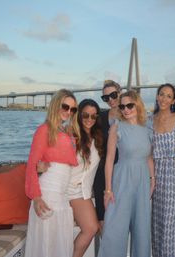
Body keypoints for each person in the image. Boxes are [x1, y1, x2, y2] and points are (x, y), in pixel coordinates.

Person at [37, 99, 103, 257]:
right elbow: (47, 151)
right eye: (85, 115)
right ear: (79, 115)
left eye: (93, 116)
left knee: (92, 229)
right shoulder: (69, 134)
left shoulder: (98, 137)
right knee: (89, 229)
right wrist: (40, 165)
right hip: (67, 189)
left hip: (84, 191)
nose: (89, 119)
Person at [98, 90, 155, 257]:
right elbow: (109, 160)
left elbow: (149, 157)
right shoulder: (116, 127)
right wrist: (108, 190)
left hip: (143, 181)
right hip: (122, 179)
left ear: (138, 105)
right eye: (122, 106)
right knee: (115, 228)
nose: (126, 110)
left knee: (141, 228)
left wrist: (153, 179)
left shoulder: (147, 128)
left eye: (130, 105)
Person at [24, 89, 79, 257]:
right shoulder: (44, 130)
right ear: (56, 105)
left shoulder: (67, 132)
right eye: (65, 107)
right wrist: (36, 197)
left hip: (62, 196)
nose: (68, 112)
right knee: (46, 246)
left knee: (58, 245)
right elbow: (32, 163)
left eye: (73, 109)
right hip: (47, 194)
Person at [150, 83, 175, 257]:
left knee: (171, 226)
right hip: (155, 176)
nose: (164, 98)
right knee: (156, 224)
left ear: (173, 100)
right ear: (157, 97)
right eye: (161, 94)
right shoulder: (149, 120)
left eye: (168, 96)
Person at [93, 80, 121, 228]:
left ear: (120, 92)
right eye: (106, 98)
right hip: (102, 174)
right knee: (103, 219)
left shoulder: (130, 115)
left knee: (120, 219)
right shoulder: (100, 118)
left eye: (113, 95)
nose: (110, 100)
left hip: (122, 174)